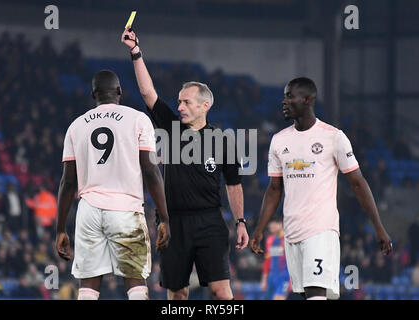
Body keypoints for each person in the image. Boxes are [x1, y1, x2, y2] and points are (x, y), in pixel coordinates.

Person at [121, 28, 249, 300]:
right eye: (178, 102)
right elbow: (148, 93)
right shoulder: (172, 128)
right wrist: (135, 52)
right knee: (177, 294)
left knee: (221, 292)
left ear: (204, 106)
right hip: (173, 222)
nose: (179, 106)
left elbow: (234, 185)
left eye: (186, 102)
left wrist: (240, 222)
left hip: (210, 221)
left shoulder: (223, 140)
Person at [250, 77, 392, 300]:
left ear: (307, 99)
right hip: (292, 231)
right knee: (306, 294)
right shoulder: (279, 140)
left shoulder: (333, 137)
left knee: (316, 294)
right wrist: (259, 228)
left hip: (321, 231)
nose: (284, 101)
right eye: (285, 96)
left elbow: (358, 182)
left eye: (290, 96)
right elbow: (274, 189)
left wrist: (378, 226)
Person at [55, 70, 170, 300]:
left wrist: (60, 229)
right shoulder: (137, 119)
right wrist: (165, 217)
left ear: (93, 94)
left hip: (88, 210)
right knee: (135, 280)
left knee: (88, 284)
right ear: (119, 91)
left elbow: (68, 183)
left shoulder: (76, 126)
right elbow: (150, 171)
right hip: (125, 209)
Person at [260, 217, 290, 300]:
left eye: (274, 223)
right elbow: (267, 261)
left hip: (284, 277)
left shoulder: (288, 239)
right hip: (272, 276)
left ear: (280, 224)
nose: (271, 225)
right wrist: (264, 279)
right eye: (270, 223)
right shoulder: (269, 240)